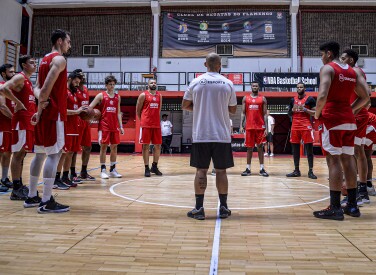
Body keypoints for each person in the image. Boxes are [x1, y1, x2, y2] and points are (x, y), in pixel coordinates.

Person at [313, 41, 369, 220]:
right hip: (349, 120)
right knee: (348, 159)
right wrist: (351, 110)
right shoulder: (353, 71)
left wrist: (317, 114)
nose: (321, 58)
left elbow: (322, 95)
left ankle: (335, 207)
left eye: (322, 54)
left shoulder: (328, 68)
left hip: (332, 119)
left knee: (333, 161)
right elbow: (366, 96)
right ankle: (352, 206)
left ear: (329, 54)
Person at [182, 53, 237, 220]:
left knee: (201, 171)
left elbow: (185, 105)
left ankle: (199, 209)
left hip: (201, 134)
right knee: (221, 171)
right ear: (220, 65)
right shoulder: (228, 83)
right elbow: (233, 110)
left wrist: (198, 108)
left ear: (205, 64)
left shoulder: (196, 82)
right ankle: (224, 208)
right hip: (221, 135)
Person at [27, 29, 71, 212]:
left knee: (39, 155)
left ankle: (31, 197)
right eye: (68, 41)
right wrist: (41, 107)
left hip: (44, 114)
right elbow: (44, 90)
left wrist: (38, 110)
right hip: (54, 115)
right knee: (54, 155)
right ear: (60, 41)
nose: (70, 45)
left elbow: (36, 89)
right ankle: (46, 201)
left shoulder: (43, 60)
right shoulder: (59, 60)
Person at [0, 56, 37, 200]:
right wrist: (17, 102)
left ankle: (19, 184)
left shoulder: (28, 81)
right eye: (32, 63)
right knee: (17, 154)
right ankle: (15, 189)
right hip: (20, 122)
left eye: (35, 62)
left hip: (27, 122)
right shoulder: (20, 78)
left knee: (22, 154)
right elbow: (4, 88)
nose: (35, 65)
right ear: (24, 65)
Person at [340, 49, 370, 204]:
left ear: (350, 60)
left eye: (343, 58)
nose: (341, 61)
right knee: (357, 152)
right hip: (357, 115)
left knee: (352, 153)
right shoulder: (352, 73)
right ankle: (362, 190)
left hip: (357, 116)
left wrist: (350, 111)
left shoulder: (356, 71)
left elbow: (367, 95)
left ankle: (357, 192)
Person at [89, 75, 123, 179]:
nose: (112, 86)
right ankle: (103, 170)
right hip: (104, 125)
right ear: (106, 85)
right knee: (103, 147)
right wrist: (90, 117)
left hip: (114, 126)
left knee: (114, 147)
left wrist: (121, 126)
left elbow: (118, 113)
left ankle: (112, 169)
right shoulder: (101, 95)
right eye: (110, 84)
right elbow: (90, 107)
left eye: (113, 84)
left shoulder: (118, 97)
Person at [286, 82, 317, 179]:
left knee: (309, 149)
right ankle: (296, 170)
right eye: (298, 87)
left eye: (301, 87)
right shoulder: (292, 100)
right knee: (295, 150)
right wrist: (292, 111)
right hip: (295, 126)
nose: (299, 88)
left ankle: (310, 171)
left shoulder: (310, 99)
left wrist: (305, 109)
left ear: (304, 88)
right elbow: (289, 114)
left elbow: (315, 113)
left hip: (306, 126)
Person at [239, 81, 269, 177]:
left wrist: (266, 127)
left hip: (260, 127)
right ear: (251, 87)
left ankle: (262, 168)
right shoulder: (245, 98)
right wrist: (241, 125)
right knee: (249, 148)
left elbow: (265, 114)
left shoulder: (262, 99)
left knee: (260, 148)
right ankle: (248, 168)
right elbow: (243, 113)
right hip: (249, 127)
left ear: (258, 87)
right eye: (253, 86)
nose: (255, 87)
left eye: (256, 86)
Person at [136, 79, 163, 177]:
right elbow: (138, 111)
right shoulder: (143, 95)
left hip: (156, 124)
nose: (153, 84)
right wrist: (143, 120)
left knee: (158, 146)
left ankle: (154, 166)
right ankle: (146, 167)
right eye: (151, 83)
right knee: (146, 146)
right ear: (148, 85)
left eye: (155, 82)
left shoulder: (159, 95)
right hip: (146, 124)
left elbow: (158, 110)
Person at [72, 69, 95, 181]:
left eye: (84, 75)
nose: (84, 77)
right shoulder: (74, 90)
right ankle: (72, 173)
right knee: (75, 148)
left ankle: (84, 171)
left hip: (85, 121)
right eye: (81, 76)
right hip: (77, 120)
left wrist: (90, 116)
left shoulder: (86, 89)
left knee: (88, 147)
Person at [0, 64, 16, 192]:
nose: (14, 74)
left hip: (9, 126)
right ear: (4, 74)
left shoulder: (13, 88)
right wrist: (15, 118)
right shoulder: (1, 86)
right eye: (11, 72)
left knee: (8, 153)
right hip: (2, 125)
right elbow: (3, 107)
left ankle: (4, 178)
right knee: (1, 153)